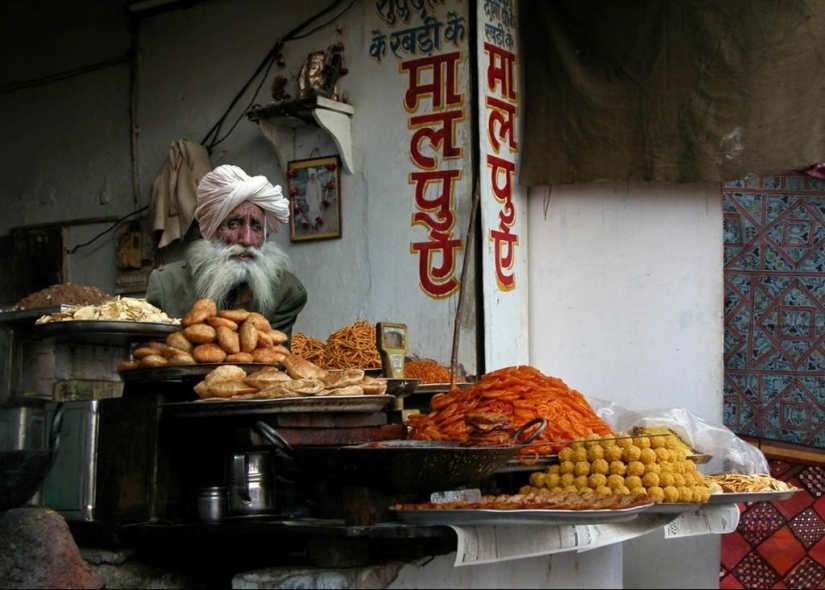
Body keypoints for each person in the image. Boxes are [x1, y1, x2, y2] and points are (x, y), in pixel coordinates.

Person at [146, 164, 307, 342]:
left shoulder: (287, 291)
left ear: (265, 237)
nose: (246, 239)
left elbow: (274, 360)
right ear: (211, 231)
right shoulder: (166, 285)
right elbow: (150, 359)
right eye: (234, 224)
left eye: (256, 227)